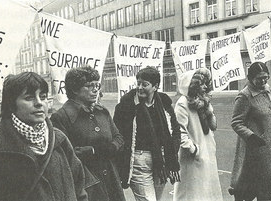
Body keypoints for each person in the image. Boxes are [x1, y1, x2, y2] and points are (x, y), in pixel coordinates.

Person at [0, 72, 90, 201]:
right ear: (11, 104)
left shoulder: (59, 139)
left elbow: (79, 187)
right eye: (29, 98)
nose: (39, 103)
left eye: (43, 96)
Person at [50, 66, 125, 201]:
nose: (96, 89)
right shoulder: (61, 117)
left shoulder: (102, 112)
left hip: (111, 179)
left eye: (97, 85)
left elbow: (119, 138)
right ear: (74, 89)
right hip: (86, 184)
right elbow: (65, 156)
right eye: (90, 85)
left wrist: (98, 150)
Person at [113, 67, 181, 201]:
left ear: (155, 86)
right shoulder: (126, 105)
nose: (139, 87)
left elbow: (175, 130)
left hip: (161, 162)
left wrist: (172, 150)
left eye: (145, 84)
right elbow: (116, 133)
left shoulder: (164, 103)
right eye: (138, 83)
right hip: (138, 161)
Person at [229, 62, 271, 201]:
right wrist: (251, 136)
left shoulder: (268, 90)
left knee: (266, 189)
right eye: (259, 78)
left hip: (270, 149)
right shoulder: (245, 96)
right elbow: (236, 122)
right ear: (250, 78)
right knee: (250, 189)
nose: (263, 81)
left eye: (266, 77)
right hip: (253, 151)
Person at [173, 68, 223, 201]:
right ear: (192, 85)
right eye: (202, 84)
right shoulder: (182, 104)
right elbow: (179, 131)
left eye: (206, 83)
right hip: (193, 157)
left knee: (207, 190)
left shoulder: (204, 102)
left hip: (207, 151)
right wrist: (193, 149)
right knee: (191, 193)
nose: (205, 86)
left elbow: (212, 126)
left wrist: (209, 111)